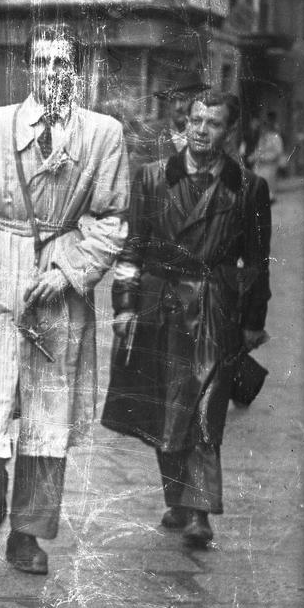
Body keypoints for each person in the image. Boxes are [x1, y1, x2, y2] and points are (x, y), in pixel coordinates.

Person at [0, 23, 129, 576]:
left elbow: (112, 220)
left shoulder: (103, 134)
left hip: (58, 276)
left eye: (62, 63)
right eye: (41, 62)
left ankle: (29, 534)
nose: (51, 73)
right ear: (28, 69)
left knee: (47, 413)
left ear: (78, 71)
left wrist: (70, 271)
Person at [101, 91, 271, 546]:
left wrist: (252, 321)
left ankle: (199, 513)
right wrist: (125, 305)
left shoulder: (249, 188)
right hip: (159, 302)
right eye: (196, 119)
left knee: (203, 406)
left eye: (213, 123)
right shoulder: (152, 179)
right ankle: (177, 500)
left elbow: (256, 262)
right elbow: (133, 245)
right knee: (164, 408)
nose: (201, 129)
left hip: (213, 306)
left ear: (229, 131)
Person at [248, 111, 286, 203]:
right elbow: (259, 150)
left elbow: (278, 152)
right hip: (261, 163)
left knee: (265, 174)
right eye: (265, 126)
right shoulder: (263, 137)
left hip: (271, 164)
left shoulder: (276, 137)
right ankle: (257, 197)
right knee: (254, 172)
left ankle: (269, 196)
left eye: (269, 125)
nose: (266, 129)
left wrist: (266, 158)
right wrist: (253, 157)